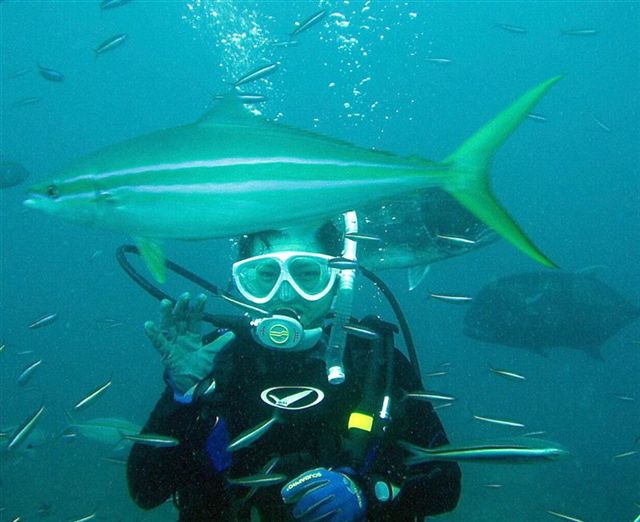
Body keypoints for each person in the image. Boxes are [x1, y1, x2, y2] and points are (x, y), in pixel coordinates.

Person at [127, 221, 461, 521]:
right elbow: (145, 491)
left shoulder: (372, 359)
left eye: (306, 274)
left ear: (338, 281)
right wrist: (181, 396)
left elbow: (446, 483)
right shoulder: (214, 360)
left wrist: (368, 492)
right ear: (241, 283)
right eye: (266, 276)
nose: (286, 295)